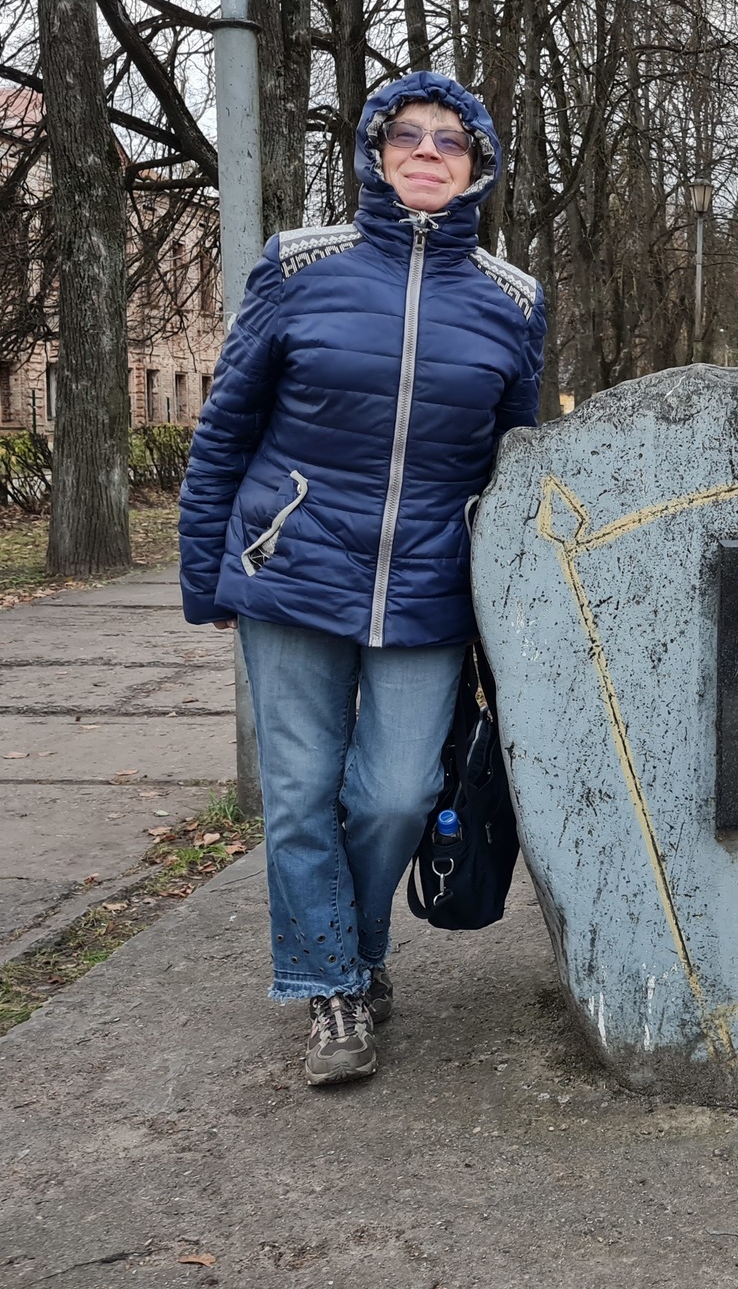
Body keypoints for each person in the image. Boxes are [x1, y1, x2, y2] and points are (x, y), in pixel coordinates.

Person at [178, 71, 545, 1086]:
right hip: (290, 569)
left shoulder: (512, 302)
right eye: (407, 136)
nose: (427, 152)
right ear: (375, 157)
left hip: (427, 587)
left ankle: (353, 950)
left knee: (393, 796)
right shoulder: (300, 267)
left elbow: (517, 462)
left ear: (477, 167)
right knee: (299, 796)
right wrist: (205, 572)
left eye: (450, 141)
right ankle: (332, 985)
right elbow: (225, 431)